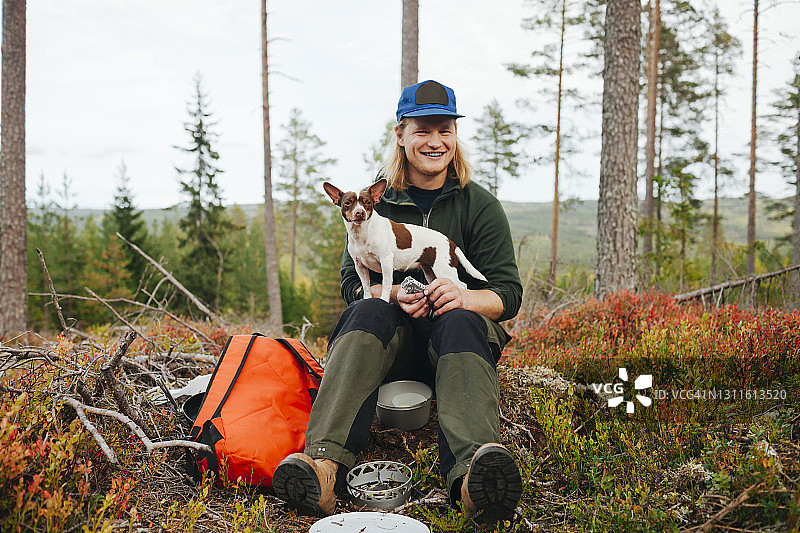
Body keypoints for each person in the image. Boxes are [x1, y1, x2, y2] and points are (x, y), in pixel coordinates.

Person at [272, 80, 523, 524]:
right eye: (422, 130)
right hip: (392, 348)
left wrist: (463, 296)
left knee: (461, 319)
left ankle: (473, 481)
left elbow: (508, 293)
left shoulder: (480, 206)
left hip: (456, 347)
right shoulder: (370, 202)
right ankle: (323, 468)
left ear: (455, 137)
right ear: (401, 135)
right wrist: (388, 294)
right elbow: (352, 283)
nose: (434, 141)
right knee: (366, 309)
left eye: (444, 130)